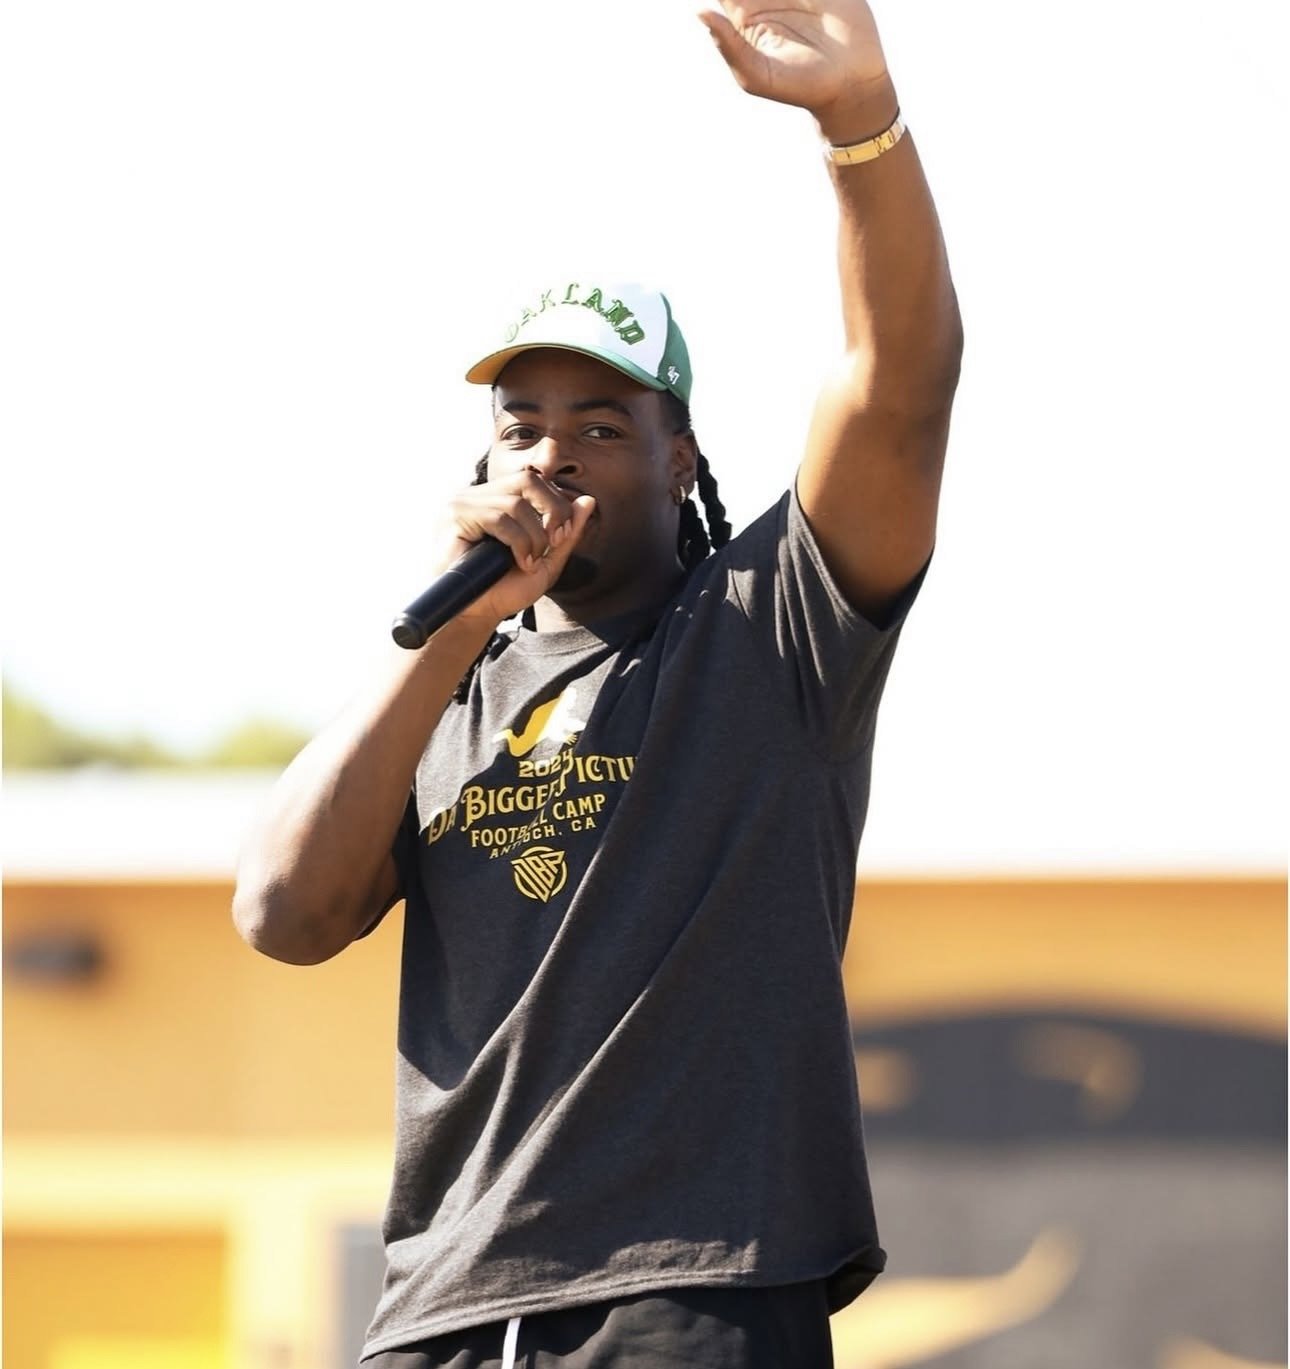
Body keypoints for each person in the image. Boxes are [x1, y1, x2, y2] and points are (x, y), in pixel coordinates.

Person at [233, 1, 961, 1364]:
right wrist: (449, 636)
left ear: (680, 459)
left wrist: (859, 130)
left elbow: (897, 388)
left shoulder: (765, 628)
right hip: (444, 1307)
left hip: (694, 1287)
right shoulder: (443, 686)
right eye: (522, 427)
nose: (552, 456)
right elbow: (281, 912)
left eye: (601, 426)